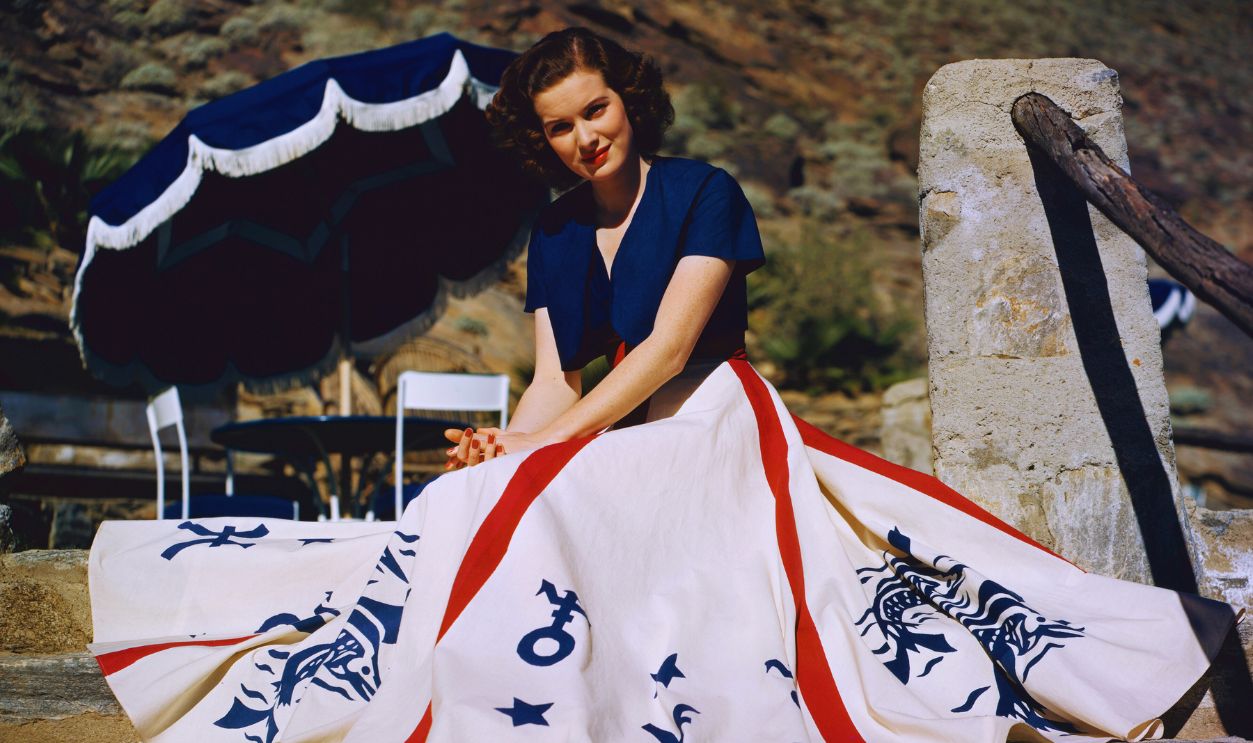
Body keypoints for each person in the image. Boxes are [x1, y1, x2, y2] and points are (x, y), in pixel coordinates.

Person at [87, 28, 1239, 743]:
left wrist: (544, 447)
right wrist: (507, 444)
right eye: (558, 127)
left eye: (594, 111)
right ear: (542, 140)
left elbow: (665, 349)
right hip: (615, 433)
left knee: (554, 498)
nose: (583, 137)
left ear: (628, 101)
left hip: (713, 419)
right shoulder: (551, 231)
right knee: (464, 502)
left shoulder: (701, 192)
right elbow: (554, 377)